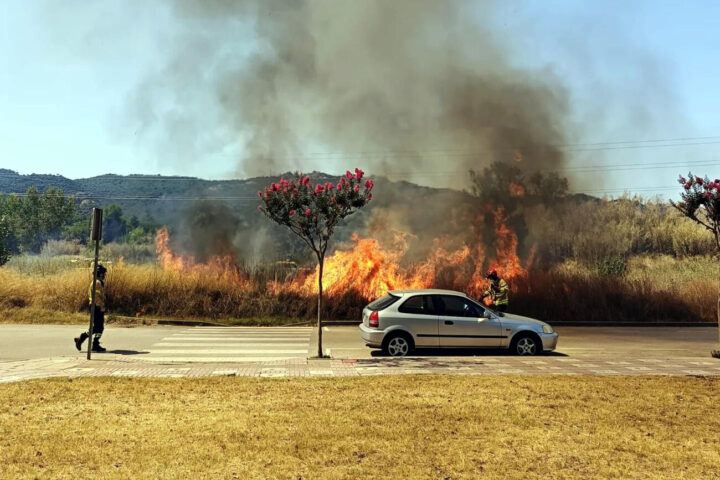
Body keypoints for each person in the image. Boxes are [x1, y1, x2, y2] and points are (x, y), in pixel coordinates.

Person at [74, 264, 108, 352]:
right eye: (104, 273)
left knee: (100, 327)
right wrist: (101, 306)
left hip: (96, 306)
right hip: (96, 307)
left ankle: (95, 344)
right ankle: (81, 338)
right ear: (100, 274)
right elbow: (96, 297)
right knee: (96, 328)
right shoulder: (97, 283)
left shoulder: (98, 282)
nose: (105, 275)